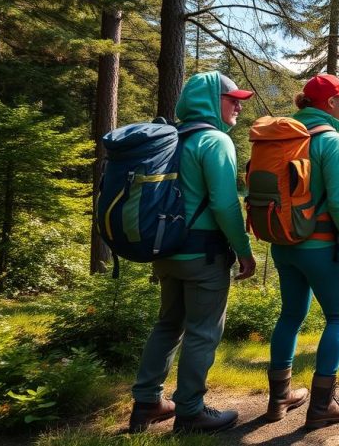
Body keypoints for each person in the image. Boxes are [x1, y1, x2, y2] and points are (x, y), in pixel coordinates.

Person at [129, 71, 257, 434]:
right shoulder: (214, 140)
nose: (238, 107)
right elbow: (225, 204)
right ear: (210, 100)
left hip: (166, 251)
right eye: (233, 99)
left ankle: (147, 404)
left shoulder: (171, 139)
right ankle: (190, 412)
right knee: (202, 332)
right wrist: (244, 251)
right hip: (203, 255)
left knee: (168, 325)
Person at [266, 73, 339, 429]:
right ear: (328, 104)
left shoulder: (284, 136)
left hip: (282, 243)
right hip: (319, 245)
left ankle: (279, 399)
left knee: (290, 315)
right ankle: (322, 405)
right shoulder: (331, 140)